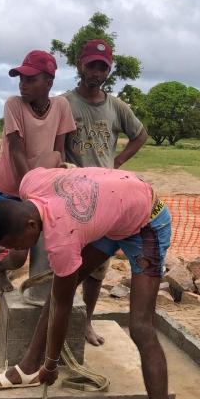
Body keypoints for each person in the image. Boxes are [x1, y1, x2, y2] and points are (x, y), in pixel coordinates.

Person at [0, 166, 176, 399]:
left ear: (32, 224)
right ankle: (29, 367)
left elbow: (61, 305)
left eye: (18, 243)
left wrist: (53, 365)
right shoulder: (31, 182)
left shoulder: (61, 237)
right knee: (60, 289)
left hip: (146, 222)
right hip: (115, 215)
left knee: (140, 326)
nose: (19, 250)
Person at [0, 50, 75, 347]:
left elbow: (59, 152)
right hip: (1, 190)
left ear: (48, 80)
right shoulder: (14, 105)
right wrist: (32, 192)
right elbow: (17, 151)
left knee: (19, 255)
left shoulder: (61, 107)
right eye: (21, 78)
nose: (23, 84)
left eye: (30, 79)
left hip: (35, 194)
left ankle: (3, 273)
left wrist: (48, 188)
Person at [62, 38, 149, 347]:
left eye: (103, 68)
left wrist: (118, 161)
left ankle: (85, 321)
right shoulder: (65, 104)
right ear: (79, 66)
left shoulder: (115, 106)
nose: (97, 73)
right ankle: (58, 324)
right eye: (91, 66)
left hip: (107, 200)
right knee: (67, 263)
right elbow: (56, 149)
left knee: (97, 268)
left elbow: (140, 135)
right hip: (73, 198)